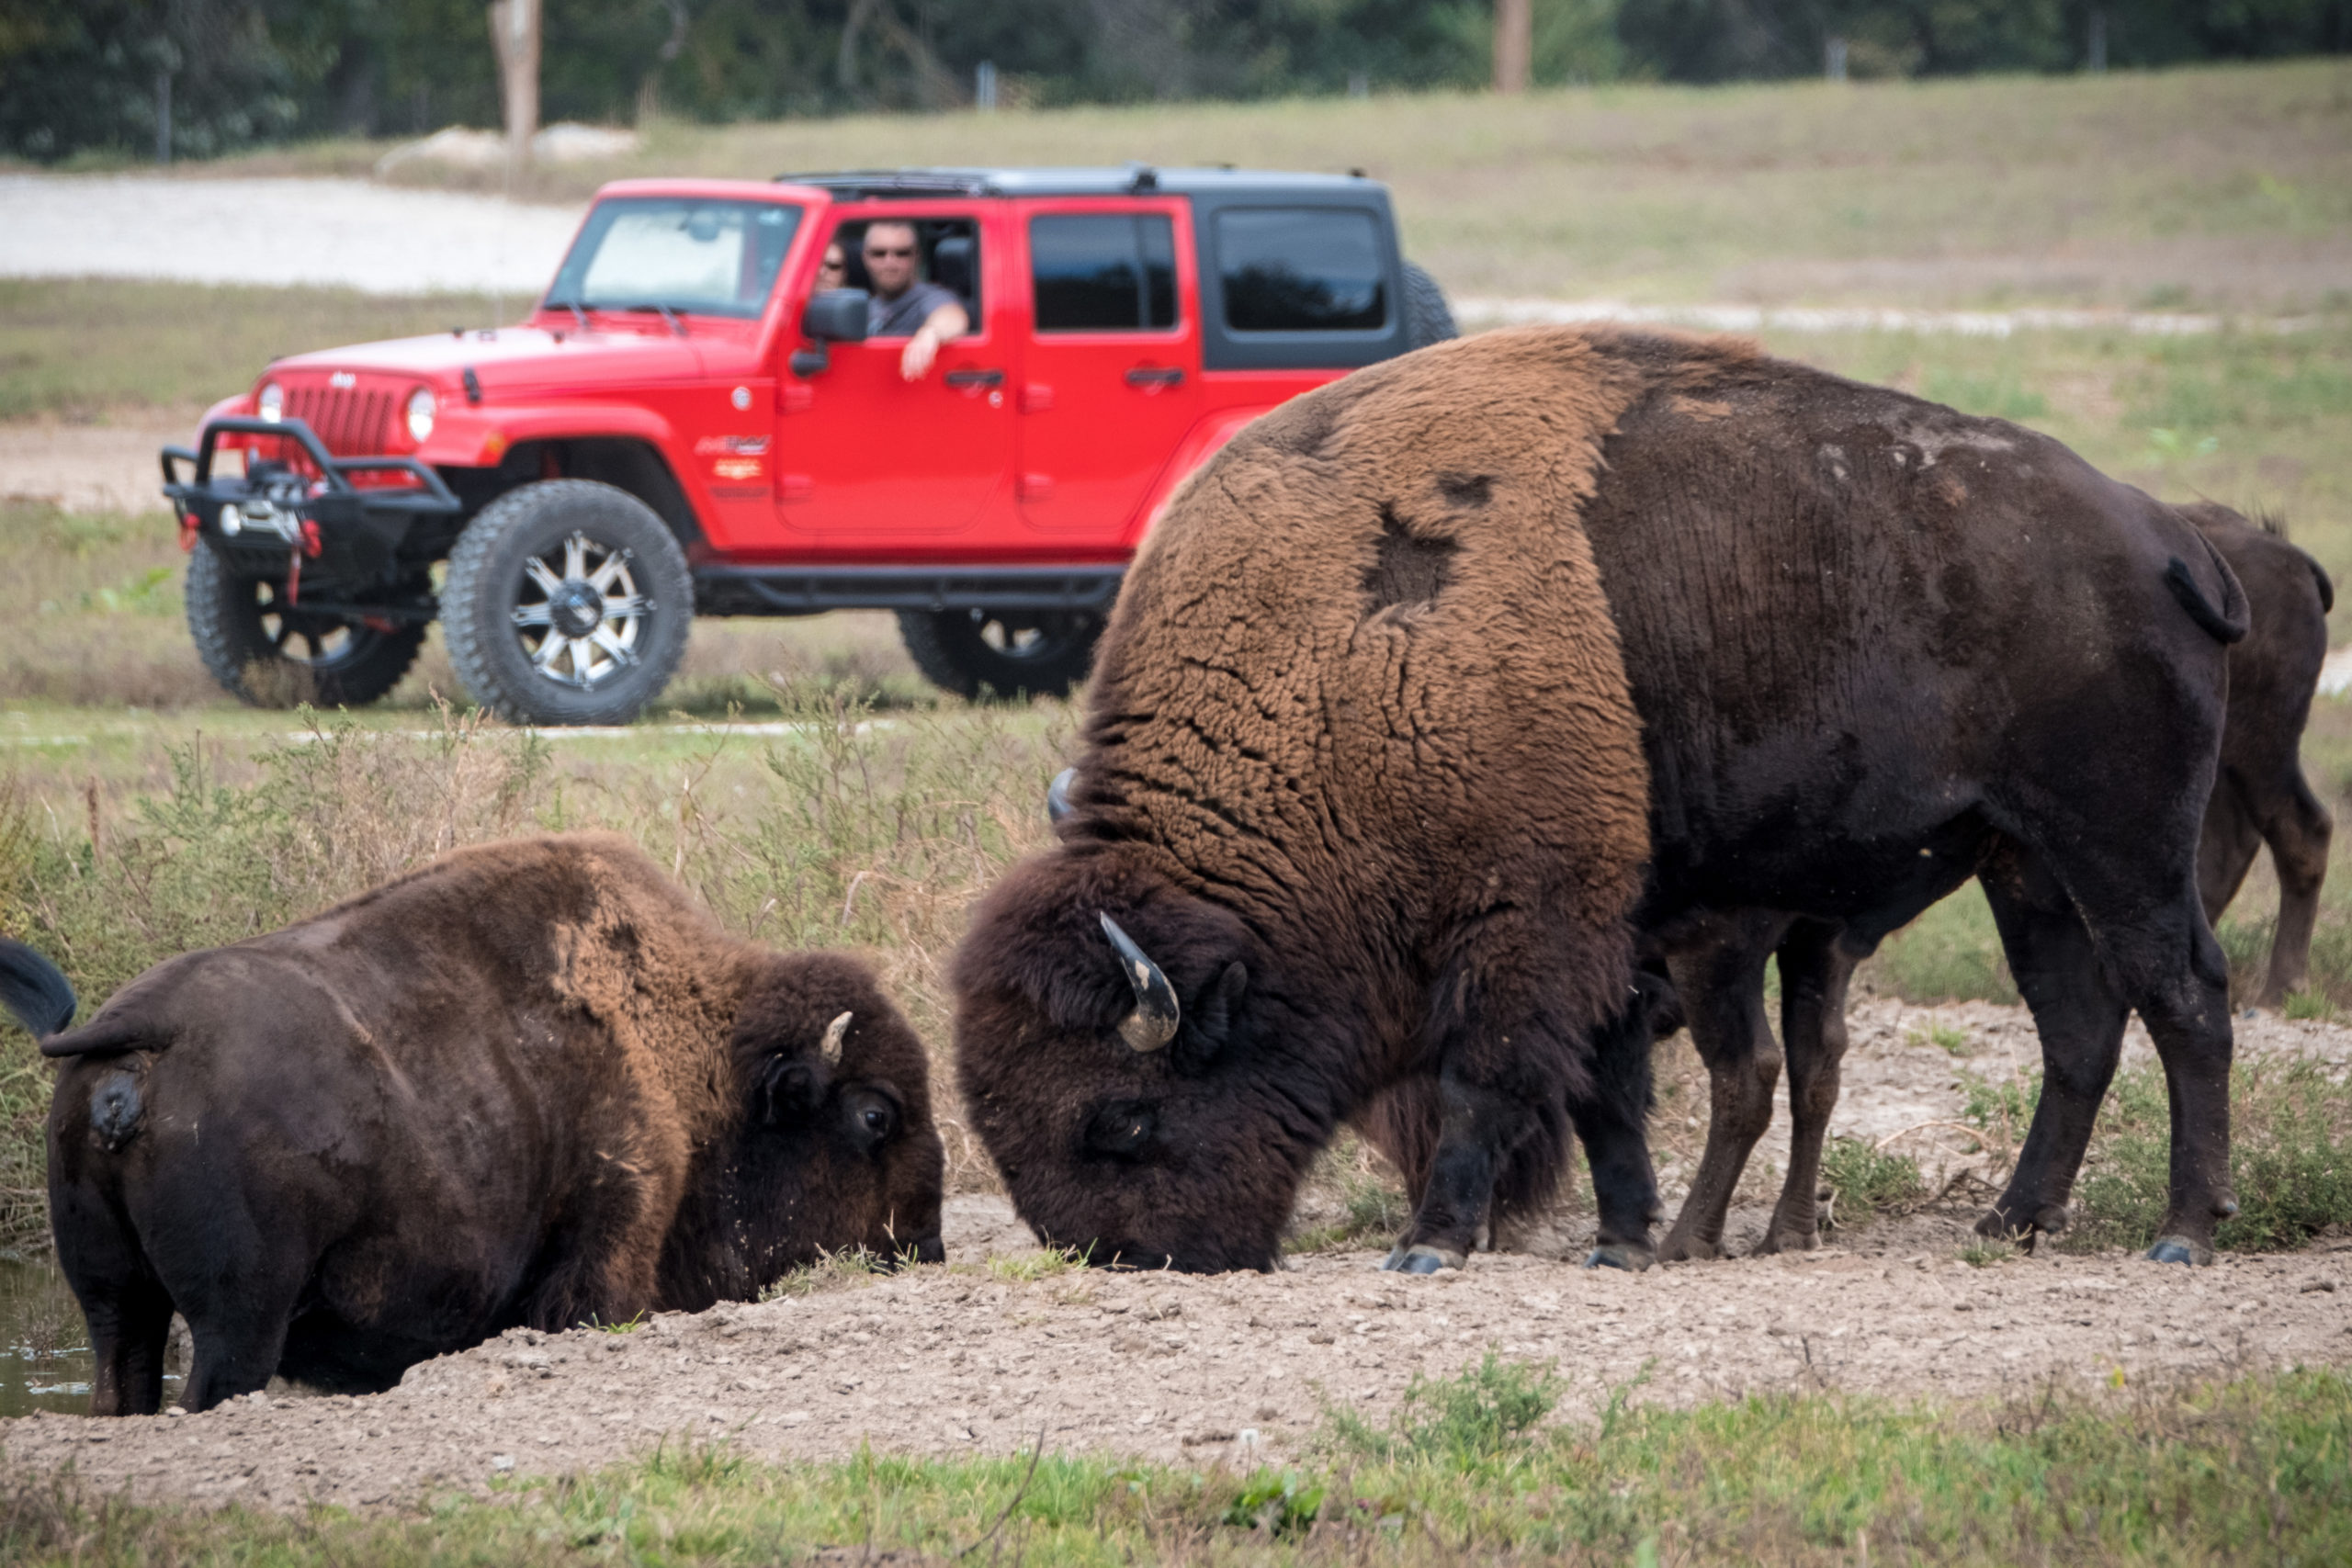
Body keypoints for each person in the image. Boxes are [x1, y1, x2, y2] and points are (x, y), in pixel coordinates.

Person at [859, 220, 967, 382]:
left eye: (902, 253)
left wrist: (930, 333)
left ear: (917, 256)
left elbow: (952, 315)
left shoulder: (930, 296)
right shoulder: (864, 305)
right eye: (879, 253)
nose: (890, 263)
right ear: (865, 258)